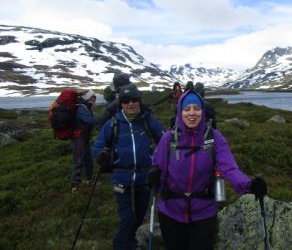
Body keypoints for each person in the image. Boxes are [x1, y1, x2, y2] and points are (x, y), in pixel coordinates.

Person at [147, 90, 267, 250]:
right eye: (187, 108)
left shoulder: (215, 138)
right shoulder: (168, 138)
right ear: (180, 112)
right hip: (171, 213)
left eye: (196, 108)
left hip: (203, 213)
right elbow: (157, 167)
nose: (192, 113)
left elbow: (230, 168)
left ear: (203, 112)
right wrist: (152, 178)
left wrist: (249, 185)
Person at [92, 84, 164, 250]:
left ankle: (131, 243)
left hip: (145, 178)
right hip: (121, 179)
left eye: (134, 100)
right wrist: (100, 155)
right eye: (125, 101)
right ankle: (120, 246)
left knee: (139, 217)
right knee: (128, 220)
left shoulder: (148, 121)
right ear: (121, 104)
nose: (130, 104)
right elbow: (97, 146)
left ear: (139, 101)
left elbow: (164, 141)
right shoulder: (112, 124)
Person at [70, 89, 97, 193]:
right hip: (78, 139)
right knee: (78, 161)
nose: (94, 99)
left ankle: (89, 179)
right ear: (86, 98)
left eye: (94, 97)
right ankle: (74, 185)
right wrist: (106, 113)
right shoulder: (81, 108)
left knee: (88, 159)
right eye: (92, 97)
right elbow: (92, 121)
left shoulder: (86, 107)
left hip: (84, 137)